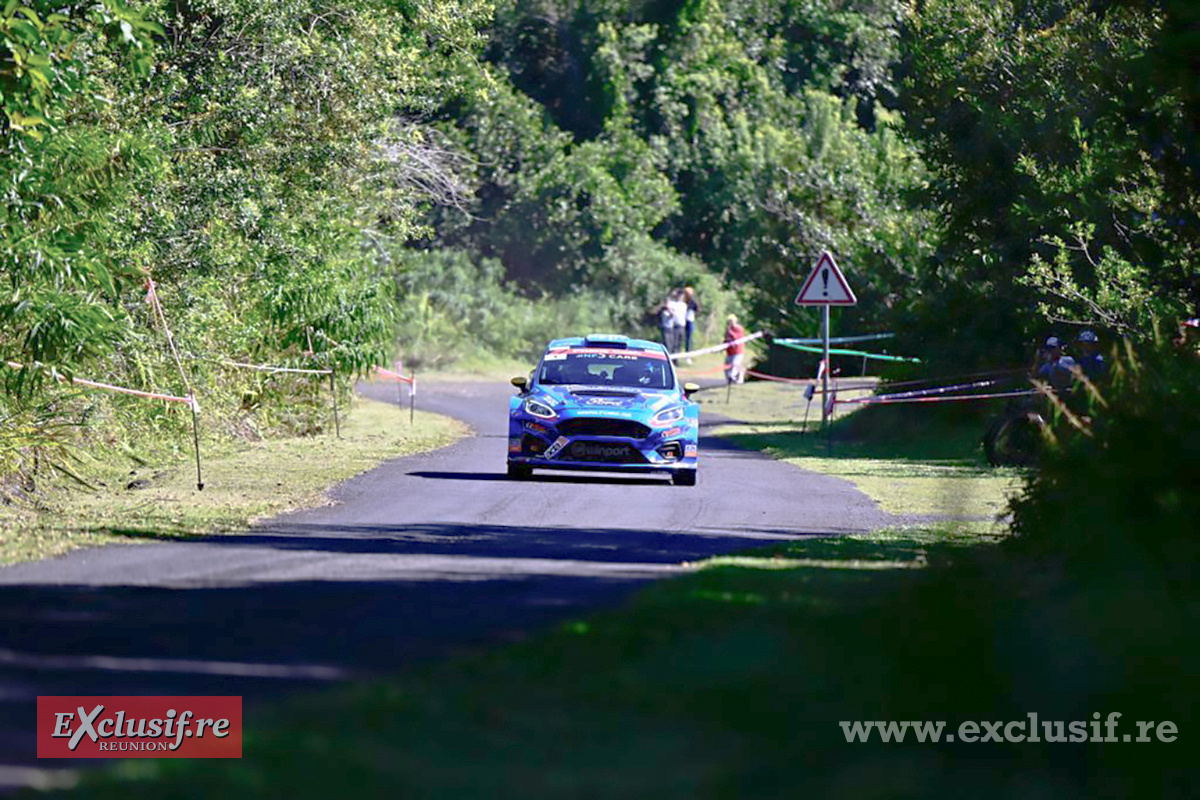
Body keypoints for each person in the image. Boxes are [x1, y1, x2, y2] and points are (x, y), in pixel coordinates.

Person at [724, 314, 746, 384]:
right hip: (730, 352)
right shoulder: (728, 329)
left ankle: (737, 381)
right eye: (729, 321)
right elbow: (727, 339)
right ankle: (730, 381)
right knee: (727, 368)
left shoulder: (738, 328)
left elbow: (737, 339)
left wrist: (729, 331)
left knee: (734, 367)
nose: (730, 322)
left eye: (731, 321)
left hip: (737, 352)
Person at [664, 288, 688, 354]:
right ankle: (673, 358)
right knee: (673, 343)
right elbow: (668, 305)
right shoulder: (673, 304)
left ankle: (676, 359)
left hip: (682, 325)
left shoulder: (684, 305)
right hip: (675, 326)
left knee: (679, 344)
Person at [682, 286, 700, 360]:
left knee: (688, 339)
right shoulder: (682, 301)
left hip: (689, 321)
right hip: (681, 321)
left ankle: (688, 355)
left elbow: (698, 310)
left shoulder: (693, 302)